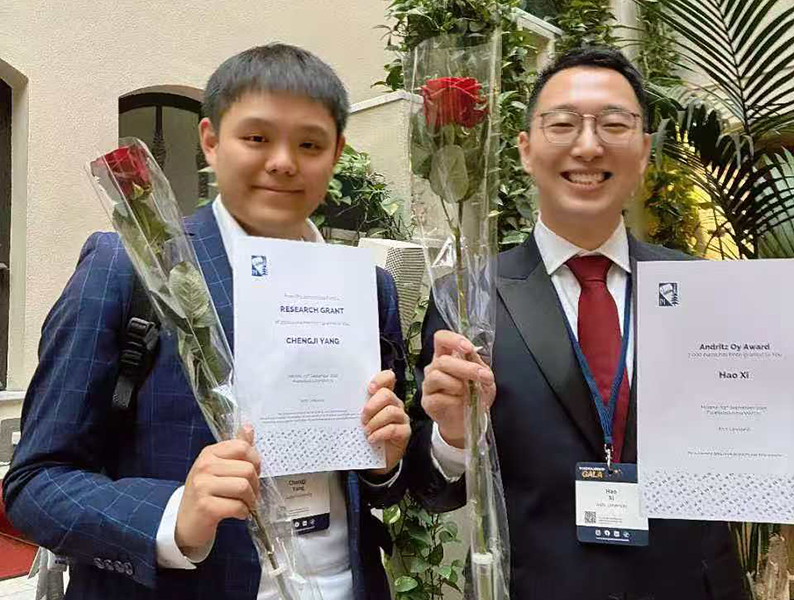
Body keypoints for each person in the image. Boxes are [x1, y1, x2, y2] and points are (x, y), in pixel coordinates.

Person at [3, 44, 410, 600]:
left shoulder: (368, 288)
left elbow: (376, 487)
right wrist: (173, 517)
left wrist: (383, 462)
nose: (284, 161)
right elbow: (35, 483)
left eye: (309, 143)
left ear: (336, 153)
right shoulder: (129, 267)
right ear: (211, 142)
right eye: (257, 138)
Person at [407, 47, 745, 600]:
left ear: (642, 152)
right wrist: (453, 436)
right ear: (524, 149)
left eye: (614, 125)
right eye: (562, 124)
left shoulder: (705, 290)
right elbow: (433, 489)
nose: (588, 146)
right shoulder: (468, 298)